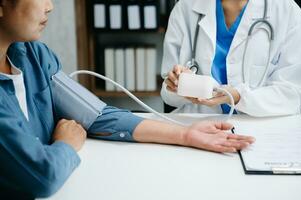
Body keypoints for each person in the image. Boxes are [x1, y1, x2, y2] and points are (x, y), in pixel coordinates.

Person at [0, 0, 255, 198]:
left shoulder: (33, 55)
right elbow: (43, 176)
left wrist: (185, 135)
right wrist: (65, 144)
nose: (50, 6)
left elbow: (96, 115)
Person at [161, 0, 301, 116]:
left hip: (263, 129)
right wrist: (178, 84)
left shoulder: (288, 12)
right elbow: (168, 95)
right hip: (198, 125)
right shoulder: (185, 7)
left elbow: (295, 95)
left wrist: (239, 97)